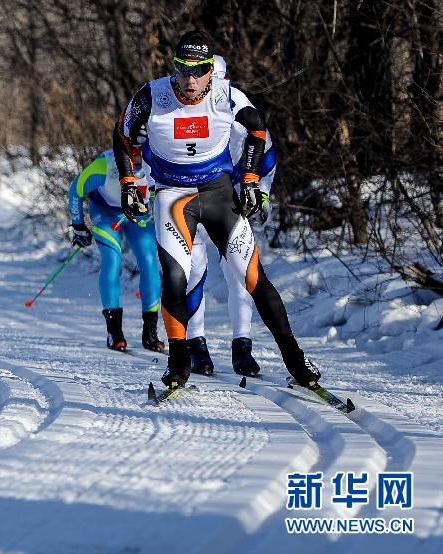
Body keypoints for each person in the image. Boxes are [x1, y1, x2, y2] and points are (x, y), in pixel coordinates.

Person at [112, 30, 321, 389]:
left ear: (211, 70)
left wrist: (252, 179)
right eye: (183, 70)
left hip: (219, 194)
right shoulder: (153, 94)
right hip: (174, 196)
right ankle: (179, 362)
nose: (190, 80)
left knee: (254, 278)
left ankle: (295, 359)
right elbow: (122, 133)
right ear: (174, 68)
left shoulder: (228, 96)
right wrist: (129, 183)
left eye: (199, 71)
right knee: (176, 277)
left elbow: (258, 131)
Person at [183, 54, 275, 377]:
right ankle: (196, 347)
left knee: (239, 272)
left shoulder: (236, 107)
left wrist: (261, 192)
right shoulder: (184, 109)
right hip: (191, 198)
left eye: (220, 84)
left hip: (229, 199)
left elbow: (268, 154)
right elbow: (161, 152)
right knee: (194, 268)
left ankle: (242, 347)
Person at [68, 148, 165, 353]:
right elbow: (76, 189)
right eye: (133, 152)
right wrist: (78, 225)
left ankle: (150, 331)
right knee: (113, 259)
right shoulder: (105, 165)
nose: (138, 158)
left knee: (149, 261)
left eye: (143, 151)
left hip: (138, 213)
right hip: (105, 212)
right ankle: (115, 332)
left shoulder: (157, 159)